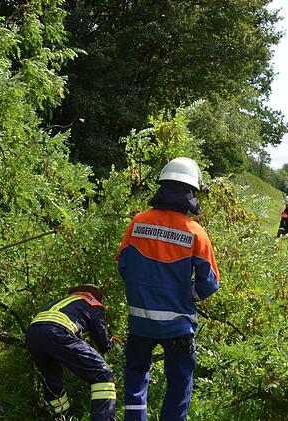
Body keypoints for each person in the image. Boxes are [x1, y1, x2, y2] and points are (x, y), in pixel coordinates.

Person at [116, 157, 220, 421]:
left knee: (136, 378)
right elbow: (209, 283)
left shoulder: (138, 222)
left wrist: (143, 292)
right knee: (179, 381)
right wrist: (188, 296)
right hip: (178, 326)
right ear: (191, 193)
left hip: (140, 323)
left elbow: (123, 267)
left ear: (162, 187)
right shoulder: (196, 233)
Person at [26, 284, 116, 420]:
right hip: (58, 332)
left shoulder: (63, 301)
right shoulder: (94, 304)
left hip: (33, 333)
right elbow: (103, 345)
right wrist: (110, 343)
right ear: (97, 295)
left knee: (52, 383)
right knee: (102, 373)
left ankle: (64, 417)